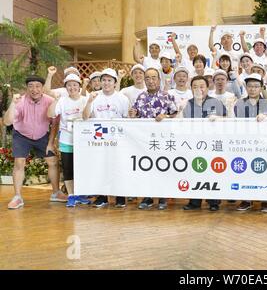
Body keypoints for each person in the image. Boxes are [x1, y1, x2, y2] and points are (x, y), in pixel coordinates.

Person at [4, 75, 66, 209]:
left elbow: (55, 124)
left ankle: (56, 193)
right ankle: (17, 197)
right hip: (21, 135)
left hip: (42, 135)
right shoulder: (19, 102)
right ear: (26, 88)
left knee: (53, 161)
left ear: (42, 88)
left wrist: (51, 143)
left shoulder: (50, 101)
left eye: (38, 86)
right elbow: (7, 122)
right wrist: (13, 104)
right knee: (19, 162)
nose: (34, 89)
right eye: (31, 86)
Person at [129, 67, 178, 210]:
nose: (150, 81)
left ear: (159, 79)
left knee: (163, 167)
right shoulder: (140, 97)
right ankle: (147, 197)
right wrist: (132, 113)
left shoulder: (167, 96)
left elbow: (175, 114)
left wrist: (166, 116)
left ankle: (162, 197)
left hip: (163, 140)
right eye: (147, 78)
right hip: (144, 141)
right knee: (147, 168)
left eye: (153, 78)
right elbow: (135, 115)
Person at [82, 68, 130, 208]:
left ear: (115, 83)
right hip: (99, 139)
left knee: (118, 167)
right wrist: (89, 102)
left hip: (117, 139)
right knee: (101, 167)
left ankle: (120, 197)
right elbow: (85, 117)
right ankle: (102, 197)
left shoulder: (122, 98)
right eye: (104, 80)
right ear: (100, 82)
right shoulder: (94, 96)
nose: (106, 83)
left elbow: (127, 119)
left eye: (110, 80)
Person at [181, 76, 226, 211]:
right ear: (191, 88)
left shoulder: (216, 102)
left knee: (212, 172)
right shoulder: (187, 104)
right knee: (195, 170)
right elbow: (181, 124)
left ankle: (213, 202)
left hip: (212, 144)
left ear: (207, 88)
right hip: (194, 144)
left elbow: (227, 120)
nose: (199, 89)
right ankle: (194, 201)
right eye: (195, 86)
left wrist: (218, 119)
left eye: (202, 86)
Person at [47, 74, 90, 207]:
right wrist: (55, 100)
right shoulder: (62, 101)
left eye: (75, 85)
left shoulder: (85, 99)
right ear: (66, 87)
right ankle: (71, 195)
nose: (72, 87)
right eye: (69, 85)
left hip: (83, 141)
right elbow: (50, 114)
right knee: (68, 168)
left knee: (82, 168)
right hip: (66, 140)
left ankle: (81, 194)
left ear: (79, 86)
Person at [234, 73, 267, 213]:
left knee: (263, 170)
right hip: (245, 143)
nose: (253, 89)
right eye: (250, 86)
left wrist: (266, 117)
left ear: (261, 87)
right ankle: (246, 199)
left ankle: (265, 201)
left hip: (263, 143)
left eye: (256, 86)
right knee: (245, 170)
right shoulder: (239, 103)